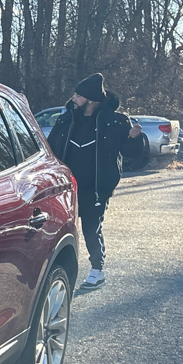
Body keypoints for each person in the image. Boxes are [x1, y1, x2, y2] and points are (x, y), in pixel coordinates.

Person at [46, 73, 144, 289]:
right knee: (57, 228)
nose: (73, 99)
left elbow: (130, 154)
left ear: (90, 100)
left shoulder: (115, 122)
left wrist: (136, 138)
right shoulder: (67, 119)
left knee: (91, 227)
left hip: (96, 188)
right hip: (66, 187)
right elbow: (50, 148)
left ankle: (97, 270)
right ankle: (52, 272)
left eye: (78, 95)